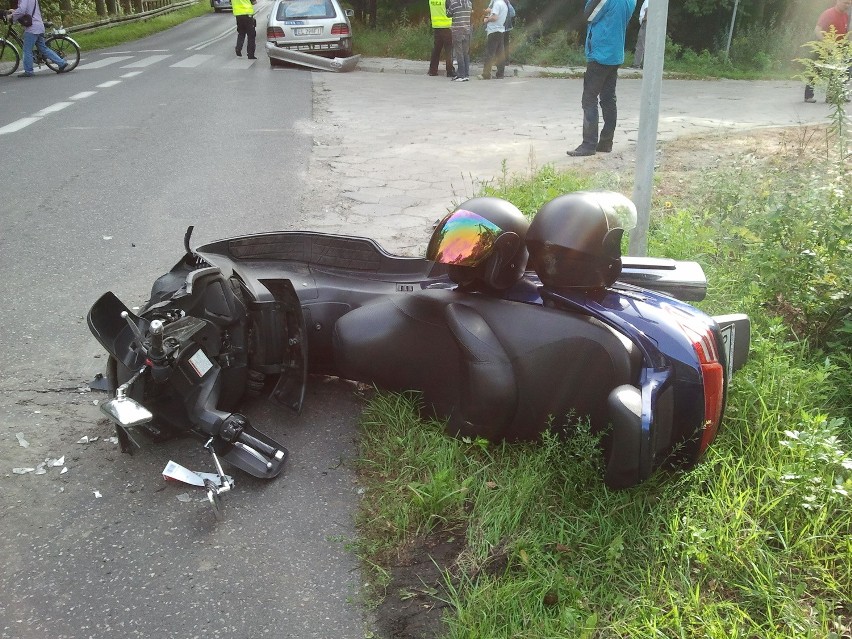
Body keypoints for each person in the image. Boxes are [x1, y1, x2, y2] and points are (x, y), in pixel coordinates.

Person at [567, 0, 636, 157]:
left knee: (589, 99)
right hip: (615, 53)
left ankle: (588, 144)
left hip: (600, 54)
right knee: (608, 99)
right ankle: (606, 142)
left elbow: (589, 15)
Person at [5, 0, 68, 78]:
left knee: (27, 50)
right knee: (43, 48)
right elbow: (27, 10)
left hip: (32, 28)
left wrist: (12, 16)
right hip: (39, 25)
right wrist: (14, 11)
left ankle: (28, 71)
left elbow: (22, 10)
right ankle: (61, 63)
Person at [803, 0, 850, 103]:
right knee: (815, 71)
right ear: (838, 1)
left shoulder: (846, 16)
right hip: (823, 47)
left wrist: (845, 45)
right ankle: (808, 96)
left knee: (837, 72)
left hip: (838, 48)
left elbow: (844, 31)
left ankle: (831, 96)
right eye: (845, 3)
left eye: (849, 3)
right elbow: (817, 29)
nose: (847, 5)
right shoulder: (828, 13)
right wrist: (827, 43)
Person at [479, 0, 507, 80]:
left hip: (493, 30)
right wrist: (490, 13)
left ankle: (486, 74)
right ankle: (500, 74)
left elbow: (495, 17)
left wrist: (487, 20)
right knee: (500, 53)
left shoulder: (497, 3)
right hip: (500, 30)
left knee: (489, 53)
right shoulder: (503, 3)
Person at [446, 0, 472, 82]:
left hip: (457, 31)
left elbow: (448, 14)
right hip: (467, 30)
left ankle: (461, 75)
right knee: (465, 53)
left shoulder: (454, 4)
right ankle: (466, 74)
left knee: (459, 54)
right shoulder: (469, 3)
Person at [428, 0, 455, 77]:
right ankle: (450, 71)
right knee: (449, 50)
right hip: (447, 27)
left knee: (436, 49)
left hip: (436, 26)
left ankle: (432, 70)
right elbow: (451, 11)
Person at [497, 0, 515, 79]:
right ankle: (506, 61)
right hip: (508, 27)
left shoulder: (499, 4)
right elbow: (513, 13)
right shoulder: (508, 3)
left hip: (502, 27)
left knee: (500, 46)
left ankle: (501, 62)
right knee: (506, 45)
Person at [633, 0, 648, 69]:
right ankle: (646, 64)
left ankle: (637, 64)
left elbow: (647, 9)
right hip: (647, 22)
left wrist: (645, 18)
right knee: (647, 44)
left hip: (645, 23)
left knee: (640, 44)